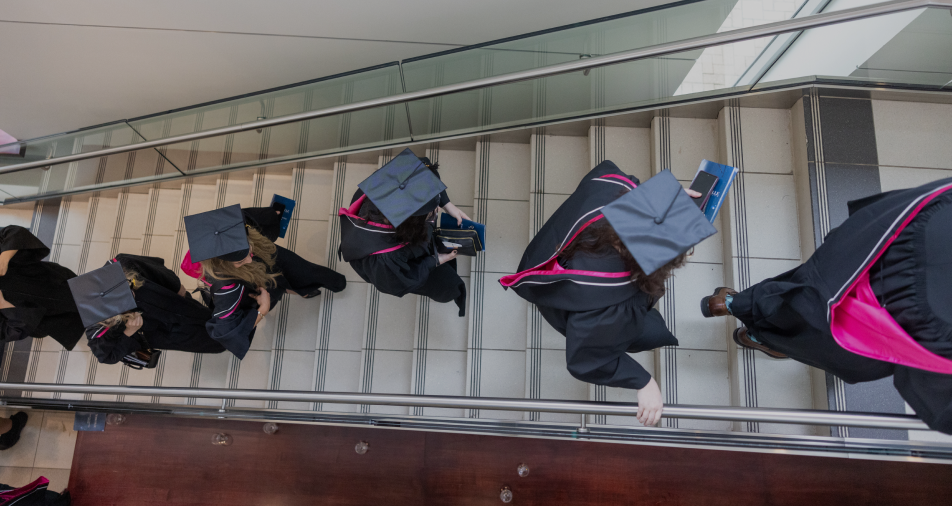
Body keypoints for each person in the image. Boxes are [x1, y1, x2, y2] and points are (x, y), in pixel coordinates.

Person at [700, 177, 952, 434]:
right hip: (883, 326)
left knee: (810, 287)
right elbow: (935, 396)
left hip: (894, 245)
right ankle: (758, 334)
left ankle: (730, 303)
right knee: (819, 335)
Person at [500, 162, 713, 426]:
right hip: (572, 299)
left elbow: (615, 184)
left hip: (545, 254)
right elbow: (586, 359)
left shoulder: (607, 192)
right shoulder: (610, 301)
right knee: (642, 331)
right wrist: (643, 381)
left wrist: (664, 203)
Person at [185, 204, 346, 359]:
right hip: (253, 282)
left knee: (301, 270)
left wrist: (270, 215)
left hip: (268, 255)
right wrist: (263, 308)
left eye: (248, 251)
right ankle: (296, 290)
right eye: (240, 261)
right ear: (223, 264)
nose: (249, 260)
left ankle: (312, 286)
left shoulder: (231, 227)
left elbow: (248, 216)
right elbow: (225, 332)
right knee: (275, 288)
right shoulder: (226, 288)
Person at [338, 148, 470, 316]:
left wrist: (447, 205)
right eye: (431, 211)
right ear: (412, 222)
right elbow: (393, 283)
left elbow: (422, 165)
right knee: (448, 285)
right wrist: (436, 260)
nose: (436, 210)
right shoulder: (384, 259)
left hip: (405, 240)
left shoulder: (383, 187)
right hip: (386, 264)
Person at [78, 254, 225, 365]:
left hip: (172, 303)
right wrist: (128, 332)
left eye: (129, 288)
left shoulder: (122, 265)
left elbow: (157, 270)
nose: (132, 295)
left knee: (209, 319)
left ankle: (233, 331)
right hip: (161, 332)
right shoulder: (97, 327)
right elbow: (107, 357)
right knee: (212, 342)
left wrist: (176, 287)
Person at [0, 225, 84, 350]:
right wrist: (2, 304)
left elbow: (14, 233)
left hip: (49, 279)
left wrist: (4, 258)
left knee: (85, 291)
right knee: (86, 317)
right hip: (47, 317)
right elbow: (10, 331)